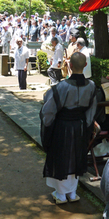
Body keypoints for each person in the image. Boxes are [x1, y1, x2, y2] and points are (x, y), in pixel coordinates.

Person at [40, 52, 97, 204]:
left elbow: (47, 113)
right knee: (76, 157)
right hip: (79, 126)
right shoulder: (91, 87)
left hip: (62, 127)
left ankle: (60, 195)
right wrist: (86, 129)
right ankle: (72, 193)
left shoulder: (61, 87)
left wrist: (48, 129)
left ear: (69, 65)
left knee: (61, 158)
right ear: (85, 65)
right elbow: (91, 113)